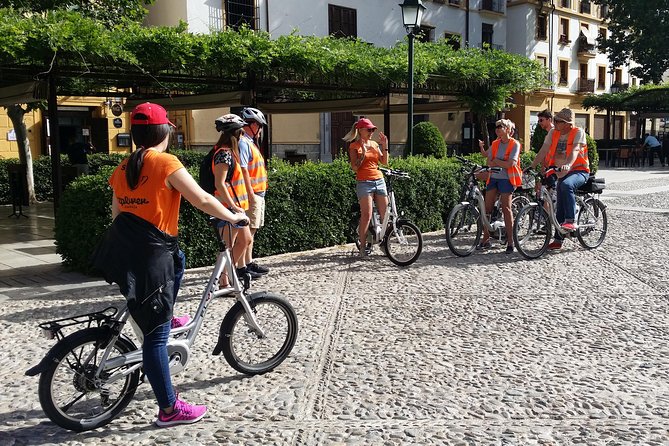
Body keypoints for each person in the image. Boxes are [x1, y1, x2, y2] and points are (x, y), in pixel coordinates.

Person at [93, 102, 249, 427]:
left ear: (136, 135)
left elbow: (117, 214)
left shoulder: (123, 167)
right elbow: (203, 199)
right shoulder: (165, 162)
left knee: (180, 260)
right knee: (155, 337)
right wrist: (234, 215)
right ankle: (169, 409)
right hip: (152, 256)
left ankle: (166, 313)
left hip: (126, 250)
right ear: (165, 132)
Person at [529, 107, 590, 250]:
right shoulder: (553, 132)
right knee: (559, 205)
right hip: (561, 172)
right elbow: (543, 150)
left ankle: (571, 221)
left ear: (568, 123)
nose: (555, 123)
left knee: (566, 186)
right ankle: (558, 240)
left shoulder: (578, 132)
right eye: (555, 120)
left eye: (558, 121)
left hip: (579, 171)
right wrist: (532, 166)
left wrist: (568, 164)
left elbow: (575, 150)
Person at [211, 114, 254, 283]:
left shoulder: (230, 153)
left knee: (245, 240)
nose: (242, 134)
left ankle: (229, 273)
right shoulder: (224, 154)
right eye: (241, 132)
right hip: (228, 207)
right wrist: (232, 206)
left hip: (236, 207)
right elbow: (220, 184)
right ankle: (224, 281)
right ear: (235, 134)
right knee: (227, 246)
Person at [343, 117, 389, 257]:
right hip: (364, 182)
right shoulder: (354, 146)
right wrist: (362, 154)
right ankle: (363, 247)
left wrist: (384, 146)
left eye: (372, 130)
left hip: (379, 180)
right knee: (367, 215)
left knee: (385, 215)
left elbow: (384, 162)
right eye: (369, 130)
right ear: (360, 130)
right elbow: (355, 168)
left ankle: (384, 244)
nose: (371, 132)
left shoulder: (374, 144)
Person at [477, 119, 522, 253]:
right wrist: (481, 148)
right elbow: (487, 157)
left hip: (507, 179)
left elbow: (511, 164)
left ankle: (510, 241)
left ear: (508, 129)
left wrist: (496, 161)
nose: (497, 129)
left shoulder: (514, 144)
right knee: (487, 208)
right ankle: (485, 239)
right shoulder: (495, 143)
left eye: (500, 127)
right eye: (496, 127)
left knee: (506, 208)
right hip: (493, 177)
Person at [238, 107, 270, 276]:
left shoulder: (250, 142)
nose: (261, 129)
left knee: (252, 230)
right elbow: (243, 170)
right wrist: (250, 194)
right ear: (250, 125)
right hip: (253, 194)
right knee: (247, 232)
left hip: (258, 192)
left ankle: (248, 263)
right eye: (259, 125)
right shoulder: (243, 142)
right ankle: (242, 267)